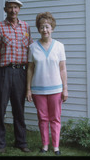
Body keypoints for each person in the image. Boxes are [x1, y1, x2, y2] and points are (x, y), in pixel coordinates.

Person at [0, 0, 33, 153]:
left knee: (19, 109)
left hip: (21, 72)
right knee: (0, 108)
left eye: (16, 7)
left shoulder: (26, 27)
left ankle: (21, 142)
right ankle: (0, 144)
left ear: (19, 9)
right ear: (5, 9)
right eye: (10, 7)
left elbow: (31, 50)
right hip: (3, 72)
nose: (13, 10)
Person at [26, 12, 68, 155]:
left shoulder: (59, 46)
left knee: (55, 118)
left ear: (52, 28)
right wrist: (28, 89)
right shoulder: (32, 47)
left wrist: (65, 89)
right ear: (38, 29)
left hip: (56, 89)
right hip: (38, 90)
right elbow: (30, 69)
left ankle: (56, 147)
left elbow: (62, 69)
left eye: (47, 27)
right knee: (43, 119)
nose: (45, 30)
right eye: (42, 27)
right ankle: (44, 145)